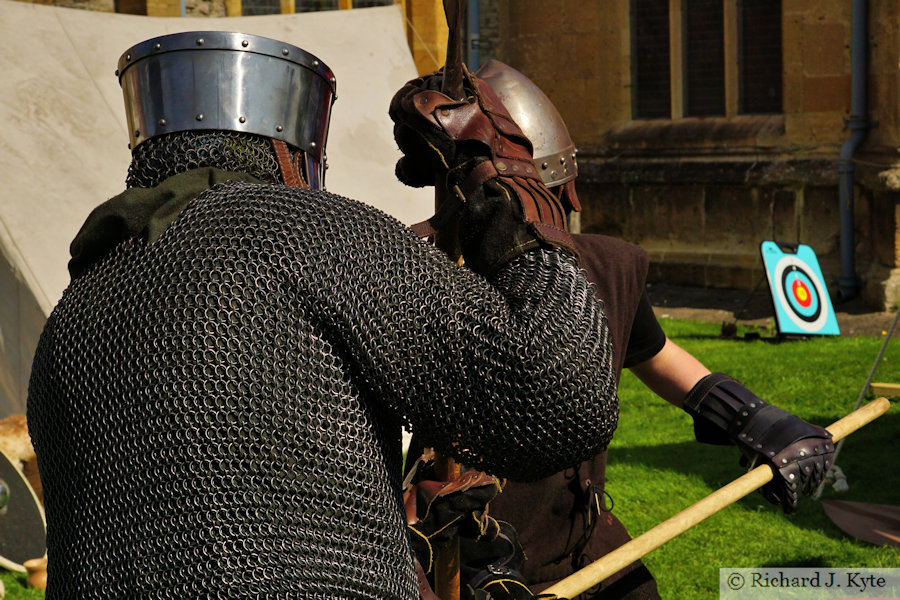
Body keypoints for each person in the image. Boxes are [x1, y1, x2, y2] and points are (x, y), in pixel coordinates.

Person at [26, 33, 620, 599]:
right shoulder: (314, 236)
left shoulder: (74, 314)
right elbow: (559, 398)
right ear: (291, 150)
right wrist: (516, 192)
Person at [433, 60, 833, 600]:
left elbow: (657, 354)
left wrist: (761, 422)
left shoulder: (603, 267)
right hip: (471, 559)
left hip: (586, 540)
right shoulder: (425, 277)